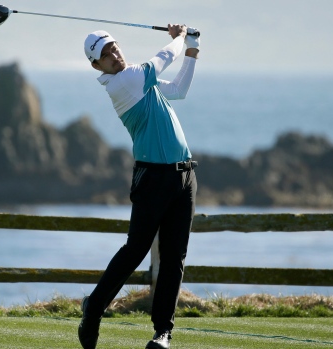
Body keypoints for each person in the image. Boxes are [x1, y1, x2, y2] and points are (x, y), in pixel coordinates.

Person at [78, 24, 200, 349]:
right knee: (136, 249)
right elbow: (162, 58)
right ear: (97, 66)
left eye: (114, 47)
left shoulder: (140, 83)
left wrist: (192, 49)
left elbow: (178, 89)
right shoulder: (125, 81)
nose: (113, 55)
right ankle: (94, 307)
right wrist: (179, 36)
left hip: (184, 176)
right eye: (105, 55)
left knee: (174, 258)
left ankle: (163, 334)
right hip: (153, 178)